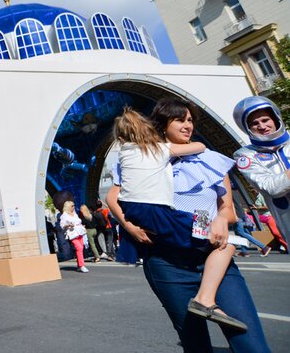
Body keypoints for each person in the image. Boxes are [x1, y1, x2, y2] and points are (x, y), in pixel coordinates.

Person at [107, 98, 270, 352]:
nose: (187, 125)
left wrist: (219, 219)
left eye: (190, 120)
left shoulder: (211, 159)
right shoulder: (141, 154)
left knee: (250, 342)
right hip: (166, 264)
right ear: (162, 124)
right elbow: (115, 199)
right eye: (180, 120)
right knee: (195, 345)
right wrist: (129, 227)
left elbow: (228, 210)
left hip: (213, 257)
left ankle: (207, 296)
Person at [232, 95, 289, 250]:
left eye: (265, 120)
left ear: (276, 118)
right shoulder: (245, 155)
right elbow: (269, 187)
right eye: (254, 123)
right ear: (246, 127)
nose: (262, 126)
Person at [60, 201, 89, 273]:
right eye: (72, 206)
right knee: (79, 248)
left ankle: (79, 266)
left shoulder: (75, 213)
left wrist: (82, 227)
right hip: (72, 233)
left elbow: (79, 222)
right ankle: (82, 265)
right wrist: (68, 225)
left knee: (81, 248)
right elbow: (62, 225)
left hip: (80, 232)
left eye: (74, 205)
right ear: (68, 207)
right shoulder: (64, 215)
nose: (73, 207)